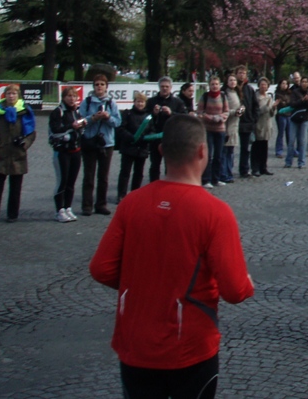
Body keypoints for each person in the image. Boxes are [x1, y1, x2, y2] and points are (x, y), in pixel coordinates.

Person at [89, 114, 254, 399]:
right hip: (189, 344)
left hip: (136, 342)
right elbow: (235, 290)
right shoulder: (215, 213)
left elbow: (102, 268)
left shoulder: (132, 203)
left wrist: (142, 284)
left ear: (162, 151)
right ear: (203, 150)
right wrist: (247, 282)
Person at [0, 84, 37, 223]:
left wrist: (24, 144)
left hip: (17, 154)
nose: (11, 96)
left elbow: (31, 132)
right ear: (5, 95)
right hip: (1, 153)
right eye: (9, 94)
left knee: (15, 188)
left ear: (18, 96)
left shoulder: (24, 111)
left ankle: (12, 214)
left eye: (14, 94)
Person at [79, 75, 122, 217]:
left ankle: (101, 204)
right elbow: (80, 121)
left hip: (107, 143)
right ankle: (87, 205)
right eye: (97, 84)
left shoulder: (111, 103)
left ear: (106, 86)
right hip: (90, 141)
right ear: (93, 86)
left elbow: (117, 122)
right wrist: (93, 118)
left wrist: (108, 117)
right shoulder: (87, 102)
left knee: (103, 176)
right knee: (88, 175)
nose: (99, 86)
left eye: (102, 84)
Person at [49, 86, 86, 222]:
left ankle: (68, 207)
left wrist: (82, 125)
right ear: (64, 98)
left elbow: (79, 130)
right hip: (62, 152)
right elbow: (55, 131)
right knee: (62, 181)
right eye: (69, 96)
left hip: (76, 151)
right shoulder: (57, 112)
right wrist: (72, 126)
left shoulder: (77, 111)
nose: (72, 99)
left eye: (74, 96)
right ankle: (59, 210)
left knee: (71, 181)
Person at [145, 77, 188, 182]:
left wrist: (171, 113)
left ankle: (169, 187)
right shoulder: (151, 101)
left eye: (167, 87)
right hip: (155, 136)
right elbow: (144, 118)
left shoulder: (177, 102)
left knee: (170, 165)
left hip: (171, 137)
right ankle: (153, 186)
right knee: (154, 165)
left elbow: (184, 117)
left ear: (171, 88)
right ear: (159, 87)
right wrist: (153, 114)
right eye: (162, 87)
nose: (164, 89)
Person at [116, 92, 150, 202]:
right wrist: (131, 137)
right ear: (134, 102)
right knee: (125, 172)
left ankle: (135, 193)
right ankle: (121, 194)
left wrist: (145, 137)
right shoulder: (128, 113)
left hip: (142, 148)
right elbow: (121, 129)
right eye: (138, 101)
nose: (140, 104)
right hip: (128, 147)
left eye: (142, 102)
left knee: (139, 173)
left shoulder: (148, 116)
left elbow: (152, 130)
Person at [197, 77, 229, 188]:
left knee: (218, 155)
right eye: (212, 84)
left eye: (216, 84)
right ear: (209, 85)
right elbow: (200, 111)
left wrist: (221, 117)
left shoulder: (223, 97)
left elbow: (227, 111)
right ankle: (206, 179)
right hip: (208, 129)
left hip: (220, 129)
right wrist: (209, 117)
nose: (214, 86)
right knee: (208, 155)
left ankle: (216, 178)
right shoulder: (205, 97)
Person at [252, 77, 277, 176]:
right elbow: (257, 111)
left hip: (267, 125)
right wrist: (267, 107)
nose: (263, 86)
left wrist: (274, 108)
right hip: (258, 124)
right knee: (256, 148)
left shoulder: (269, 97)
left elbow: (271, 114)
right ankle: (255, 168)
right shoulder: (256, 97)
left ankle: (263, 167)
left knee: (264, 148)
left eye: (265, 85)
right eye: (262, 84)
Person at [220, 74, 242, 183]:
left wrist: (241, 109)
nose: (233, 82)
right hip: (227, 125)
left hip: (234, 125)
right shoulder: (225, 94)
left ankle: (229, 172)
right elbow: (225, 110)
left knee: (230, 152)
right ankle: (224, 174)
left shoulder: (236, 93)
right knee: (225, 152)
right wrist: (236, 112)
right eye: (231, 80)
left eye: (234, 80)